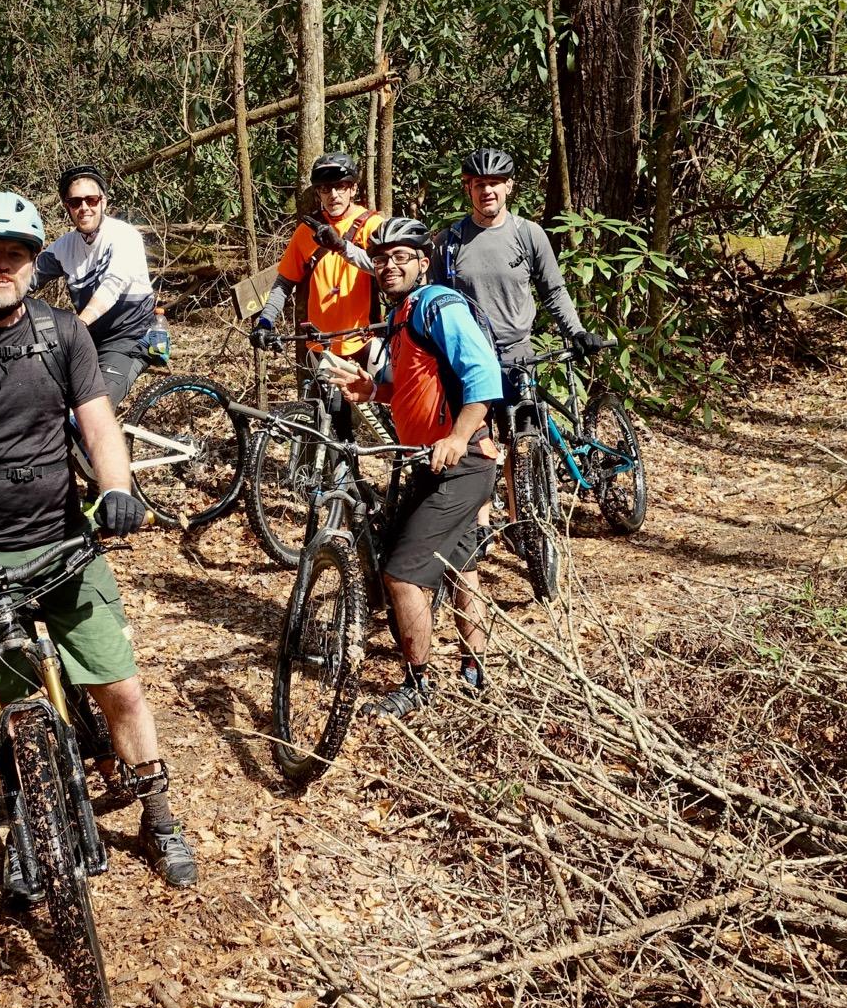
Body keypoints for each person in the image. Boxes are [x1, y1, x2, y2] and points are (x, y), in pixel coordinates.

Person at [0, 190, 199, 899]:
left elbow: (97, 425)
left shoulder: (63, 334)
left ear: (36, 264)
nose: (3, 266)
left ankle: (157, 815)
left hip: (62, 540)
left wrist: (117, 489)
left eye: (17, 255)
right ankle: (23, 821)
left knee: (119, 685)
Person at [325, 218, 502, 712]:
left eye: (401, 257)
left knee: (402, 574)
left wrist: (459, 435)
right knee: (459, 568)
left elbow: (484, 377)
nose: (388, 265)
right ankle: (474, 668)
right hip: (437, 461)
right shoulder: (405, 316)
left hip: (461, 461)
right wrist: (372, 390)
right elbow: (414, 387)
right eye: (380, 258)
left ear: (423, 263)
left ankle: (418, 685)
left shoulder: (437, 305)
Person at [432, 148, 612, 369]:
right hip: (466, 356)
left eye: (494, 182)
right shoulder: (448, 242)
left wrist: (576, 332)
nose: (487, 190)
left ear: (508, 186)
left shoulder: (529, 234)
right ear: (468, 188)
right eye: (479, 184)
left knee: (527, 406)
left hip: (519, 356)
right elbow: (434, 301)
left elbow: (553, 291)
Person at [33, 164, 163, 407]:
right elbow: (28, 276)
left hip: (129, 338)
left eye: (91, 200)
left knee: (93, 411)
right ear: (67, 207)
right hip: (90, 340)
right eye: (75, 202)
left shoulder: (124, 236)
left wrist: (80, 323)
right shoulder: (64, 247)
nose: (84, 208)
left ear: (103, 201)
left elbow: (112, 285)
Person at [249, 152, 390, 358]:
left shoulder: (372, 225)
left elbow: (385, 270)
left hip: (364, 338)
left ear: (353, 189)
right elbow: (285, 282)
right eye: (325, 188)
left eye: (340, 186)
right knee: (322, 391)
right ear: (318, 193)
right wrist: (265, 321)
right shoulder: (307, 230)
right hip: (321, 343)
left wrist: (342, 246)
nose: (333, 195)